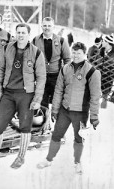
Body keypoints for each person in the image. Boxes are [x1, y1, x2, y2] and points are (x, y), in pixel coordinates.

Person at [0, 23, 46, 168]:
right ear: (15, 34)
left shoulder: (36, 52)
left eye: (23, 33)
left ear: (28, 35)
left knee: (25, 127)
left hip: (26, 94)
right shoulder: (7, 48)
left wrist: (37, 99)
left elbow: (41, 77)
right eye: (18, 32)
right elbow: (0, 69)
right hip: (8, 93)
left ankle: (21, 157)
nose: (20, 35)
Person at [37, 42, 101, 174]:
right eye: (74, 52)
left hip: (81, 113)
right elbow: (58, 90)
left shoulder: (92, 72)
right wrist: (55, 109)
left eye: (79, 53)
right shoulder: (65, 68)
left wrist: (94, 116)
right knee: (56, 135)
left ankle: (77, 163)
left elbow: (95, 97)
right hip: (65, 111)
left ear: (85, 54)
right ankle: (49, 159)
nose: (76, 55)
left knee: (79, 138)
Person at [32, 17, 71, 111]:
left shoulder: (61, 41)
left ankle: (57, 123)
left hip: (56, 77)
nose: (47, 28)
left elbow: (67, 59)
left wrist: (66, 75)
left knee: (57, 102)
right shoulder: (35, 40)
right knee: (42, 103)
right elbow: (31, 59)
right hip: (41, 77)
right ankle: (45, 123)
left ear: (53, 27)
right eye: (45, 25)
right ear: (41, 26)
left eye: (49, 26)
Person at [93, 34, 114, 108]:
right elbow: (94, 64)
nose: (102, 42)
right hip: (96, 81)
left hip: (107, 83)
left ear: (109, 43)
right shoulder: (100, 52)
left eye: (104, 41)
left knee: (103, 103)